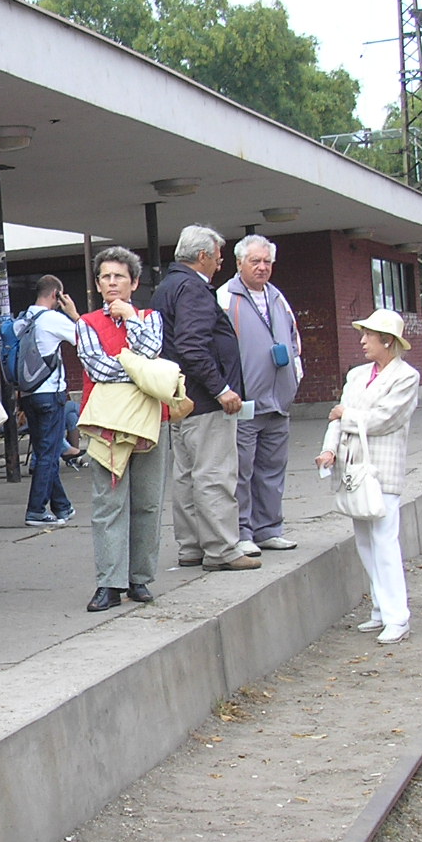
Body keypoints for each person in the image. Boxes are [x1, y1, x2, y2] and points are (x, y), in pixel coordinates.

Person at [153, 224, 260, 572]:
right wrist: (222, 388)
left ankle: (191, 546)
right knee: (214, 474)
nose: (220, 263)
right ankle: (222, 549)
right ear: (202, 256)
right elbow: (193, 346)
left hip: (177, 399)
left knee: (186, 476)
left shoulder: (166, 287)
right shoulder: (194, 289)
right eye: (217, 256)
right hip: (204, 400)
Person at [317, 309, 421, 645]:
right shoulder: (358, 375)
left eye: (369, 336)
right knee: (365, 539)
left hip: (382, 468)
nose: (362, 341)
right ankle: (380, 608)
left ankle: (397, 616)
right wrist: (329, 449)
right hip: (353, 468)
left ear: (387, 341)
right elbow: (338, 416)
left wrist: (346, 415)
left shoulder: (406, 377)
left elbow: (385, 419)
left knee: (384, 540)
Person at [74, 248, 169, 611]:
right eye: (105, 277)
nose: (112, 283)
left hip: (150, 422)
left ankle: (139, 578)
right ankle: (108, 583)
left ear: (134, 282)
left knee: (147, 502)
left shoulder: (150, 317)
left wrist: (130, 319)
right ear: (97, 285)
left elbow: (152, 350)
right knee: (107, 503)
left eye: (119, 276)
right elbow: (97, 368)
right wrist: (140, 374)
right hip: (106, 425)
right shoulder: (86, 323)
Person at [216, 235, 302, 557]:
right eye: (255, 261)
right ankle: (242, 531)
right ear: (239, 263)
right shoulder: (225, 298)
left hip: (278, 401)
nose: (262, 267)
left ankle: (269, 529)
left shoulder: (278, 298)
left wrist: (294, 380)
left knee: (272, 469)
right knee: (242, 470)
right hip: (245, 402)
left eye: (267, 261)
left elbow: (294, 341)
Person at [14, 275, 84, 528]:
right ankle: (35, 510)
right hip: (50, 394)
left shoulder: (22, 320)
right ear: (56, 295)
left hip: (28, 395)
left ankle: (62, 505)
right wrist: (73, 313)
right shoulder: (52, 319)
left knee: (46, 450)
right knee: (49, 454)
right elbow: (83, 337)